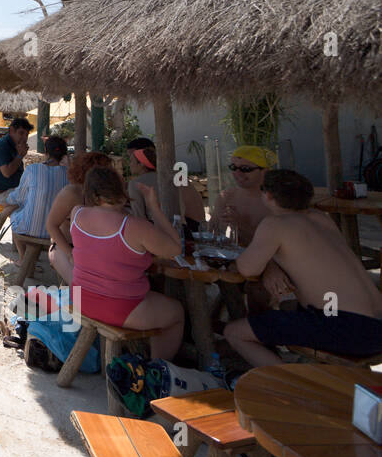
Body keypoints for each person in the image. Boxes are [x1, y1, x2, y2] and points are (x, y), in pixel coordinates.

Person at [223, 170, 382, 366]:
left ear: (269, 195)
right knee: (287, 308)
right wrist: (272, 265)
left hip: (348, 327)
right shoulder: (321, 218)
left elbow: (247, 269)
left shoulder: (275, 224)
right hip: (376, 322)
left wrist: (266, 264)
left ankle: (290, 387)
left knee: (234, 333)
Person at [70, 167, 186, 359]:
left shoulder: (77, 214)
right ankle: (158, 371)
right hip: (120, 309)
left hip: (80, 298)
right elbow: (175, 249)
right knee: (176, 314)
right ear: (121, 190)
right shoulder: (134, 226)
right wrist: (154, 207)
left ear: (91, 193)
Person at [44, 151, 115, 283]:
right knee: (80, 283)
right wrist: (70, 253)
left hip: (91, 251)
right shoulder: (72, 193)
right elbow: (51, 225)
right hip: (64, 246)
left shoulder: (104, 196)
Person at [124, 140, 206, 231]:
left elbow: (140, 218)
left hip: (186, 227)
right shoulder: (172, 174)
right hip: (192, 227)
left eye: (131, 158)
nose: (129, 163)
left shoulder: (167, 177)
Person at [218, 146, 277, 245]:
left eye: (245, 169)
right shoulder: (227, 196)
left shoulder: (277, 201)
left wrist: (240, 224)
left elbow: (275, 247)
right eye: (233, 167)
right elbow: (211, 235)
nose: (237, 173)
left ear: (265, 171)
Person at [0, 116, 34, 199]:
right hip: (3, 192)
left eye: (26, 134)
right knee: (36, 196)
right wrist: (20, 155)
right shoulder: (2, 145)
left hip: (12, 189)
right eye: (21, 133)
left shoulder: (14, 145)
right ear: (11, 131)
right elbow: (6, 173)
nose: (24, 138)